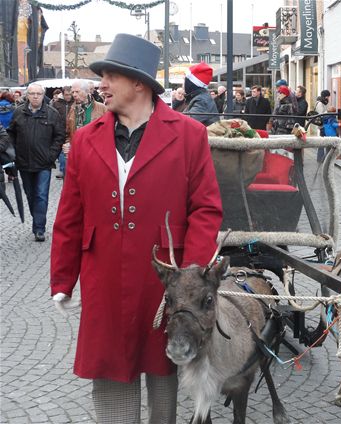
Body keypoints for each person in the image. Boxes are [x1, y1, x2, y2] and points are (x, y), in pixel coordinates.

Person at [50, 34, 223, 423]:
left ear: (139, 83)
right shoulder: (85, 139)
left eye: (110, 76)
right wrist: (63, 279)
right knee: (110, 367)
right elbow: (69, 217)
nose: (102, 85)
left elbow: (206, 209)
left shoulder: (188, 135)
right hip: (103, 276)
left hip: (163, 281)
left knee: (162, 372)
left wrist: (190, 276)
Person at [6, 83, 64, 241]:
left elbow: (59, 136)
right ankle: (37, 220)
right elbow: (11, 134)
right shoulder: (19, 112)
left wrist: (51, 156)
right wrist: (13, 154)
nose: (35, 96)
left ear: (43, 95)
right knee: (31, 195)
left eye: (38, 93)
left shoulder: (52, 114)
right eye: (32, 93)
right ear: (27, 95)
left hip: (44, 164)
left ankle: (39, 228)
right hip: (24, 162)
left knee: (41, 195)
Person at [63, 79, 107, 157]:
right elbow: (68, 133)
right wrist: (68, 144)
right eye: (72, 92)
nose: (74, 95)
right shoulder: (72, 109)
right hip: (78, 154)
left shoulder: (102, 108)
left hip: (96, 155)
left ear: (87, 91)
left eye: (77, 91)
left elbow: (109, 132)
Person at [181, 62, 219, 126]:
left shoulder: (201, 100)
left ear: (191, 84)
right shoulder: (200, 97)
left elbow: (187, 121)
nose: (182, 84)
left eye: (184, 81)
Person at [51, 86, 73, 179]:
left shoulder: (75, 103)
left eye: (70, 94)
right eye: (66, 95)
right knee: (63, 157)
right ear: (63, 94)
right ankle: (64, 173)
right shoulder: (56, 104)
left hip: (71, 133)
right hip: (60, 133)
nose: (68, 97)